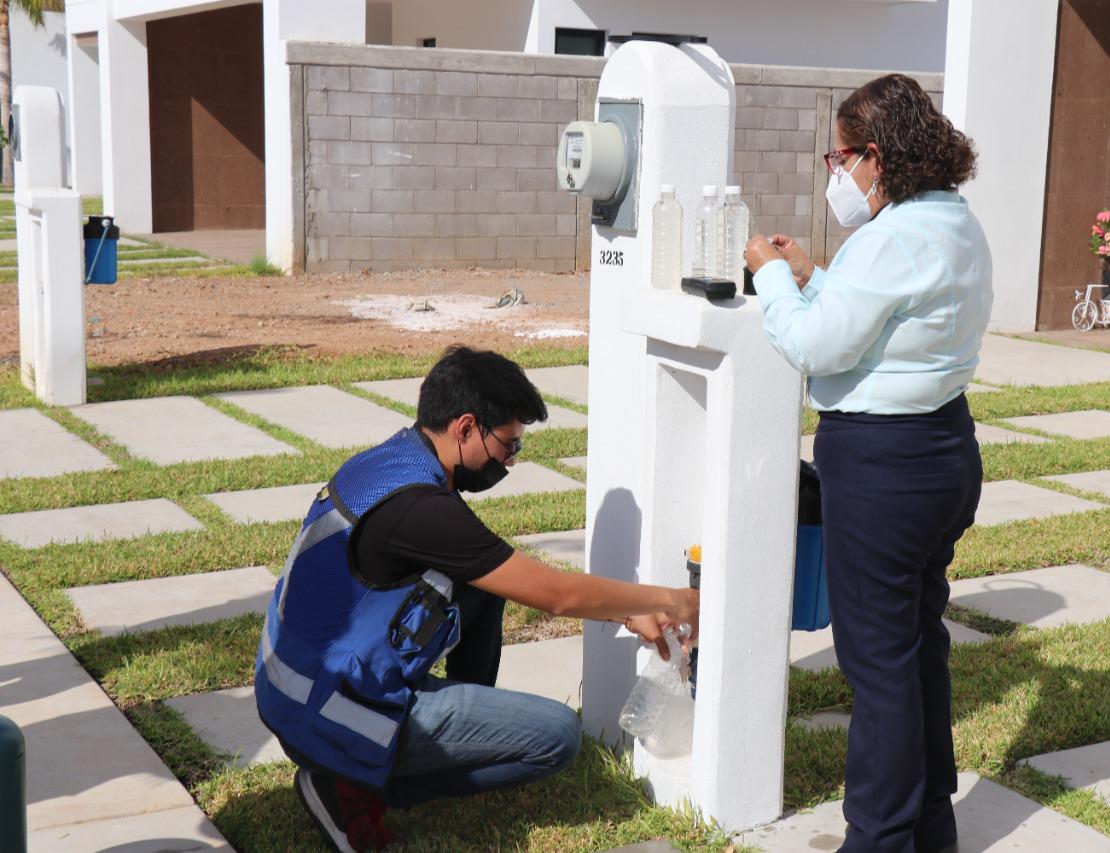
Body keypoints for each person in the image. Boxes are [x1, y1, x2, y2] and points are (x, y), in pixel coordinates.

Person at [255, 346, 699, 853]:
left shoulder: (393, 461)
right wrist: (676, 602)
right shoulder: (421, 509)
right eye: (508, 446)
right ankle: (346, 788)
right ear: (466, 427)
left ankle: (400, 753)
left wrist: (625, 609)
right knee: (557, 735)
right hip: (324, 710)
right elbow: (556, 594)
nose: (509, 462)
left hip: (296, 685)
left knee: (481, 591)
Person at [745, 73, 993, 853]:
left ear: (877, 157)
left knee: (878, 665)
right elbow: (895, 312)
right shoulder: (952, 220)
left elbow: (816, 343)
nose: (836, 176)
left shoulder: (888, 239)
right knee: (918, 644)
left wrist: (770, 278)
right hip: (944, 451)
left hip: (886, 466)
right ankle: (928, 825)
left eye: (841, 158)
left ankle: (879, 836)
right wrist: (820, 275)